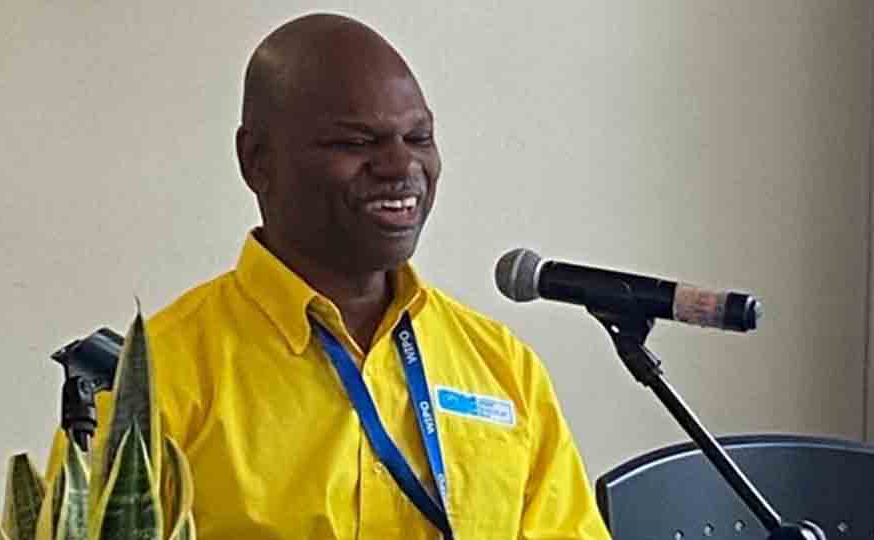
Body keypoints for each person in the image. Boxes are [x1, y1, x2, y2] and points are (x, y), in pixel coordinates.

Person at [57, 13, 611, 540]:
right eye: (355, 143)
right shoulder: (154, 382)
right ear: (257, 161)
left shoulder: (503, 367)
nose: (400, 166)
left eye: (418, 138)